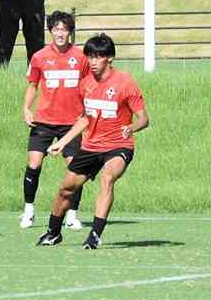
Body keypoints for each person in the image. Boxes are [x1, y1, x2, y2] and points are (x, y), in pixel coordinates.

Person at [36, 33, 149, 248]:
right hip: (90, 146)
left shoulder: (125, 83)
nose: (93, 62)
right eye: (90, 57)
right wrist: (63, 141)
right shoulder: (85, 84)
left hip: (118, 145)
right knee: (65, 190)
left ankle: (95, 235)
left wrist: (131, 127)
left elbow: (144, 119)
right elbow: (86, 118)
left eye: (98, 57)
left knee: (107, 178)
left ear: (110, 58)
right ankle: (53, 232)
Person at [20, 11, 90, 230]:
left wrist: (87, 113)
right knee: (34, 164)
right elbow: (32, 86)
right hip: (44, 121)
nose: (60, 33)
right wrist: (26, 109)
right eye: (56, 29)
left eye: (65, 29)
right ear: (50, 31)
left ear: (70, 32)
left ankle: (71, 215)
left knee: (75, 170)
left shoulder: (81, 58)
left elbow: (89, 87)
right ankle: (29, 211)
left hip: (72, 123)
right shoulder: (39, 57)